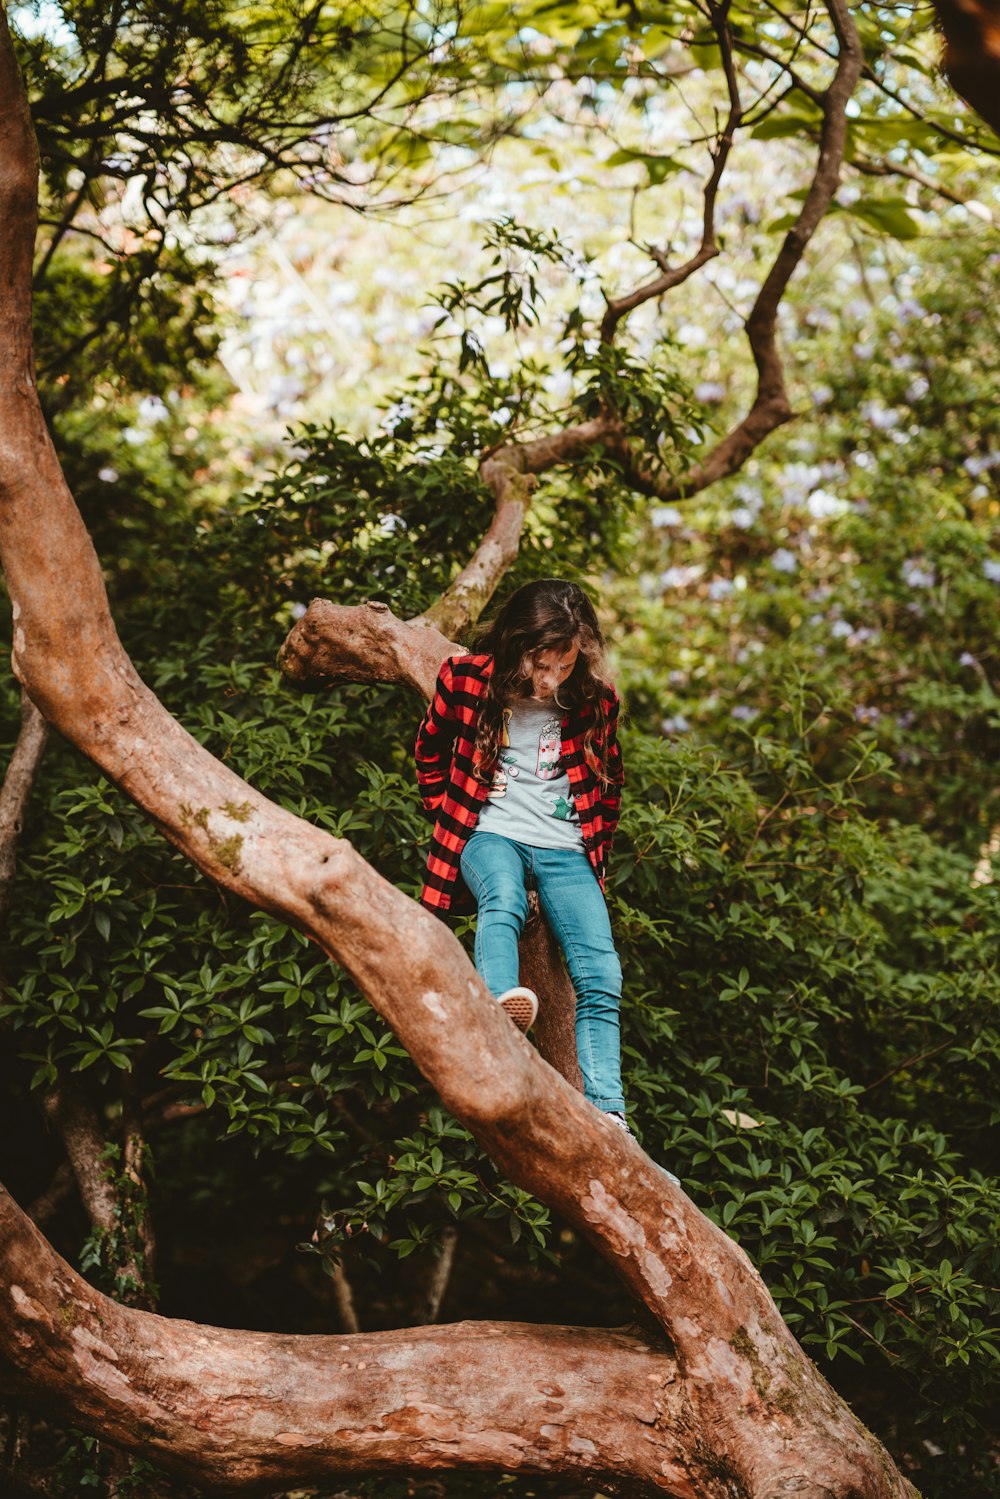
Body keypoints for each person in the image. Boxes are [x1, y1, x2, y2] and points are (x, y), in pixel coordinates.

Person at [413, 577, 633, 1135]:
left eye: (563, 665)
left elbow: (609, 783)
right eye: (540, 664)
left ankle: (610, 1112)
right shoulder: (465, 681)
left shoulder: (595, 701)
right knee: (504, 898)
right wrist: (449, 812)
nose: (549, 678)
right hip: (491, 834)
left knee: (602, 974)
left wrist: (592, 843)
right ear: (516, 642)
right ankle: (497, 1013)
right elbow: (428, 747)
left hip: (565, 851)